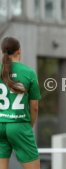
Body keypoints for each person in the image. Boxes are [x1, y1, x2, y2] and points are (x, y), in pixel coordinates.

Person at [0, 37, 41, 169]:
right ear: (19, 51)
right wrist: (29, 125)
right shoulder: (28, 73)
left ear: (2, 51)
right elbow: (34, 107)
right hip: (19, 125)